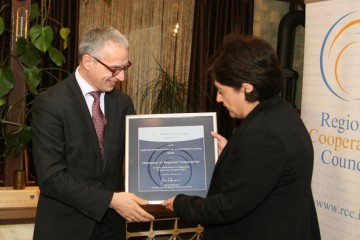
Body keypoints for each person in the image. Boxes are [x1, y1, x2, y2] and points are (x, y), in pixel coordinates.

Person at [162, 34, 321, 240]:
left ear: (247, 88)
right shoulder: (280, 111)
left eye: (221, 91)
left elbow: (226, 207)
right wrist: (232, 155)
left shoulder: (264, 134)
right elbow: (260, 175)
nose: (218, 99)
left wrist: (180, 203)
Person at [31, 25, 154, 240]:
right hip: (66, 227)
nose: (122, 77)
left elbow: (139, 155)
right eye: (115, 68)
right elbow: (52, 177)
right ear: (88, 61)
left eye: (125, 67)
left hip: (111, 227)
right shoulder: (51, 104)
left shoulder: (123, 103)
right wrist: (110, 200)